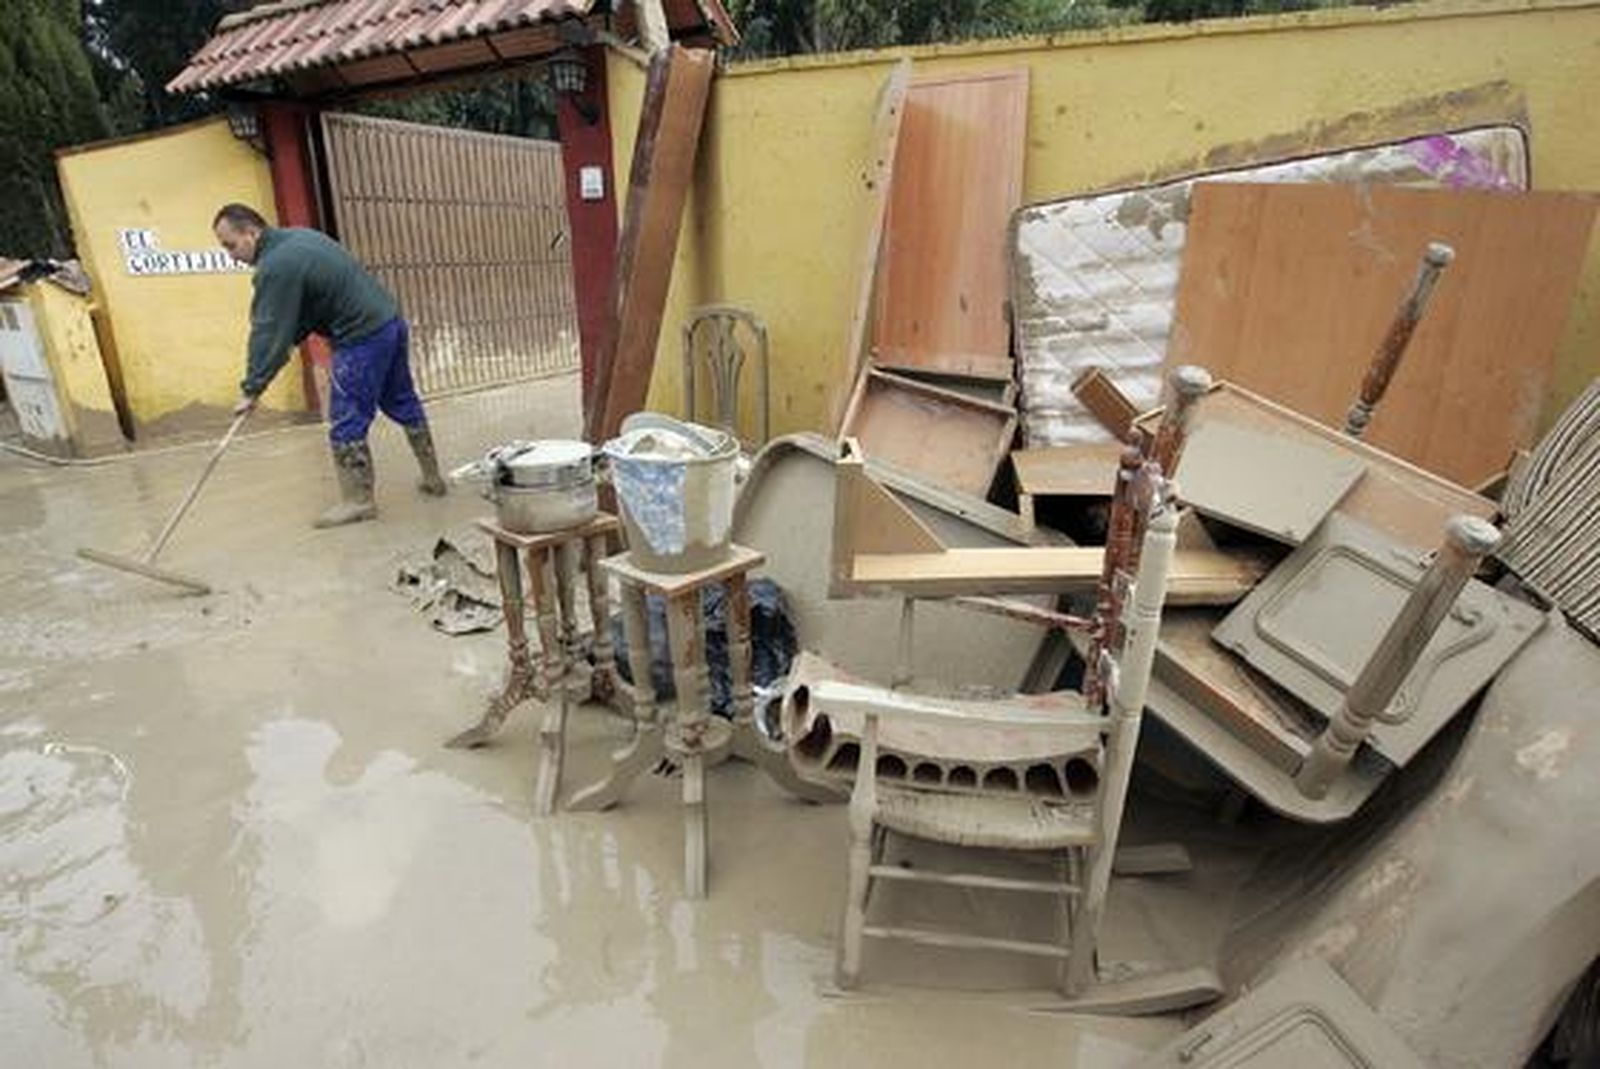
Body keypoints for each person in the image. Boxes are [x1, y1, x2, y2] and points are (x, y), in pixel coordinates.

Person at [214, 203, 447, 528]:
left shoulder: (276, 266)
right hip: (388, 322)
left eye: (231, 245)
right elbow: (302, 315)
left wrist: (252, 387)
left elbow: (269, 331)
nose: (231, 255)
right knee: (401, 399)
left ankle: (358, 501)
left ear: (251, 233)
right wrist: (277, 357)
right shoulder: (299, 237)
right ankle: (433, 478)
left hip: (360, 337)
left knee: (346, 418)